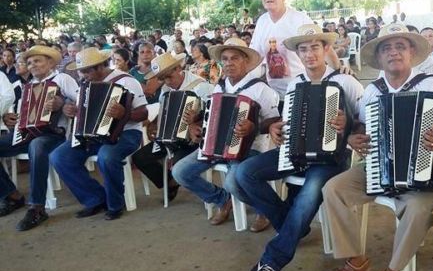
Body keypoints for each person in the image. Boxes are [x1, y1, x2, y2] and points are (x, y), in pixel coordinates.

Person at [322, 24, 433, 271]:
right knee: (334, 188)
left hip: (426, 171)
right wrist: (354, 135)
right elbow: (361, 125)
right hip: (377, 167)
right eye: (386, 48)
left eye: (400, 46)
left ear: (411, 51)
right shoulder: (373, 91)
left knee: (418, 206)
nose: (394, 53)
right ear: (378, 58)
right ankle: (356, 261)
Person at [237, 24, 364, 271]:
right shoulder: (296, 83)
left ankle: (271, 261)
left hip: (331, 158)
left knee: (306, 198)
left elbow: (366, 121)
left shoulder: (345, 81)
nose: (309, 54)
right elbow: (289, 120)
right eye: (303, 49)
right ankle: (292, 225)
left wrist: (348, 126)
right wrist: (276, 129)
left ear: (326, 49)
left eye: (315, 47)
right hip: (294, 151)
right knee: (244, 173)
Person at [171, 38, 279, 231]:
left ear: (245, 61)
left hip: (250, 149)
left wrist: (253, 126)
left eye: (234, 58)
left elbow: (273, 123)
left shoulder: (262, 89)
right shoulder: (219, 87)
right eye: (225, 59)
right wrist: (196, 123)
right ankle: (222, 200)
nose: (229, 63)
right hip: (215, 146)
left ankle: (264, 209)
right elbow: (211, 116)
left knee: (232, 182)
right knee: (180, 172)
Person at [50, 47, 148, 221]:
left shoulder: (126, 81)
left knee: (107, 156)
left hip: (127, 133)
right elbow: (83, 114)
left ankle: (115, 203)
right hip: (92, 135)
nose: (82, 75)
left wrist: (124, 114)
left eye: (86, 71)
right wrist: (70, 109)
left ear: (99, 67)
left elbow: (144, 114)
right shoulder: (84, 87)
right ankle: (95, 199)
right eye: (81, 71)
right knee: (59, 156)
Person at [0, 46, 78, 231]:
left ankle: (37, 207)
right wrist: (9, 119)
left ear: (50, 62)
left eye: (37, 60)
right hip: (26, 133)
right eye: (29, 62)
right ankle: (11, 195)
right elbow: (23, 116)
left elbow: (82, 101)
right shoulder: (28, 87)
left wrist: (64, 102)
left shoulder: (62, 79)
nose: (32, 65)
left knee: (37, 145)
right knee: (32, 142)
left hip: (56, 135)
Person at [131, 52, 213, 202]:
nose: (167, 82)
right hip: (169, 138)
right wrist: (154, 124)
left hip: (194, 140)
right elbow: (164, 111)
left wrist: (197, 121)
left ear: (178, 68)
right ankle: (171, 182)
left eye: (169, 76)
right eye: (162, 78)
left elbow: (214, 115)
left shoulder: (201, 86)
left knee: (179, 167)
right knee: (140, 158)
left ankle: (176, 181)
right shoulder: (165, 90)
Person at [248, 0, 316, 97]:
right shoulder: (262, 22)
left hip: (302, 90)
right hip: (273, 94)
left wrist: (338, 69)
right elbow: (256, 57)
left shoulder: (300, 19)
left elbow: (320, 50)